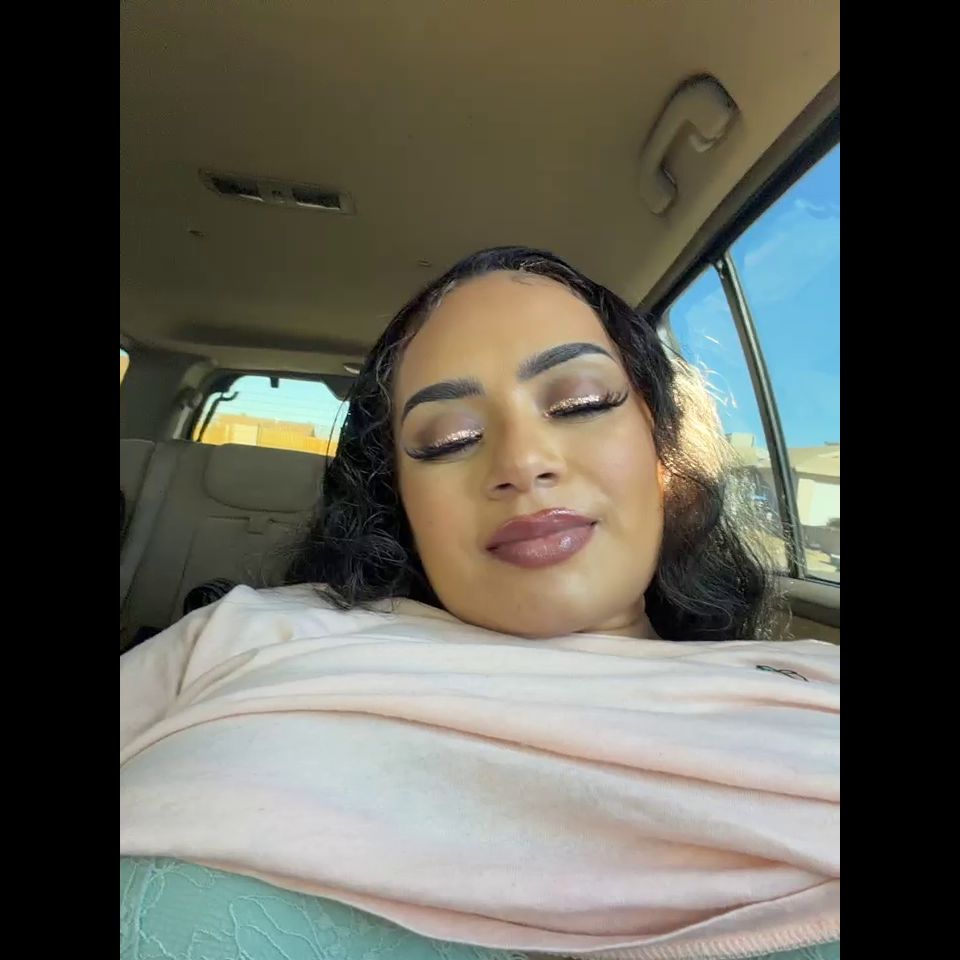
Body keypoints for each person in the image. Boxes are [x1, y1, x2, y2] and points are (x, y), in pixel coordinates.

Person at [120, 247, 839, 960]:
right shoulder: (246, 636)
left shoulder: (812, 690)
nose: (522, 462)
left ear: (662, 449)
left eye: (581, 403)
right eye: (449, 439)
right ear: (401, 502)